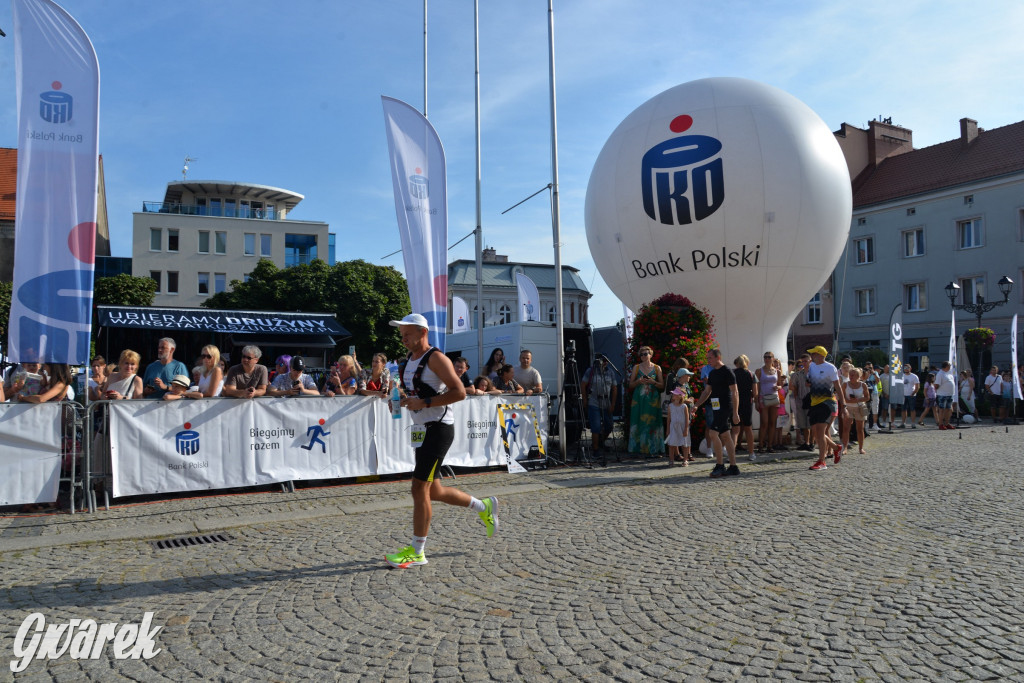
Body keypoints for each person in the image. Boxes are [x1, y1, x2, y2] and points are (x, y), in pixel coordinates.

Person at [384, 312, 498, 569]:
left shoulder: (436, 358)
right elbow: (417, 393)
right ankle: (484, 506)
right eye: (401, 334)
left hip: (438, 430)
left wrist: (423, 402)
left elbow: (459, 393)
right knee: (433, 490)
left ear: (423, 332)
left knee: (418, 489)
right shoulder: (409, 361)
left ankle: (417, 551)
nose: (403, 338)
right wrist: (401, 401)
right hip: (421, 429)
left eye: (408, 334)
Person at [694, 348, 740, 477]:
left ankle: (720, 465)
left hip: (725, 407)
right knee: (725, 435)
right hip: (716, 406)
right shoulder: (713, 373)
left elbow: (735, 393)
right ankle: (733, 466)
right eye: (707, 358)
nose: (708, 360)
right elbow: (707, 391)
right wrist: (697, 405)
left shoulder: (728, 372)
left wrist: (735, 413)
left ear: (718, 358)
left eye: (710, 358)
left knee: (713, 433)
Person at [806, 346, 845, 471]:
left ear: (820, 355)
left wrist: (843, 404)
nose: (811, 356)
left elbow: (837, 386)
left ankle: (822, 461)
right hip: (814, 402)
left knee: (821, 431)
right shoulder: (812, 366)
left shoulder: (830, 368)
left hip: (827, 402)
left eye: (814, 354)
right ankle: (836, 447)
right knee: (816, 431)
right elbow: (809, 381)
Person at [627, 346, 664, 455]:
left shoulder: (657, 368)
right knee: (637, 421)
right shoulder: (636, 368)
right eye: (641, 354)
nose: (643, 356)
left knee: (653, 422)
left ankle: (653, 449)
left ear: (650, 355)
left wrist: (654, 382)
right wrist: (638, 381)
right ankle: (637, 449)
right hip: (638, 400)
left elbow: (662, 386)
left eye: (645, 354)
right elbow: (630, 385)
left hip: (653, 399)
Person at [581, 356, 618, 460]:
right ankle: (595, 450)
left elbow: (615, 389)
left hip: (606, 402)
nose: (604, 363)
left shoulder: (610, 372)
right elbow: (583, 384)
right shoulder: (591, 371)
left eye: (606, 361)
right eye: (602, 361)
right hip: (594, 401)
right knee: (596, 427)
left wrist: (613, 404)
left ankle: (600, 442)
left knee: (609, 425)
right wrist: (584, 399)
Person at [755, 351, 783, 454]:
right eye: (765, 357)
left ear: (773, 358)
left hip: (774, 398)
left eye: (769, 357)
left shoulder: (777, 371)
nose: (766, 359)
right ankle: (761, 445)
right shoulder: (759, 371)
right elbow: (756, 387)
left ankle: (770, 445)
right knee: (764, 423)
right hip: (763, 398)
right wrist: (756, 401)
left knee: (772, 423)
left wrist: (778, 387)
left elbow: (780, 384)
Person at [732, 355, 756, 460]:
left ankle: (731, 454)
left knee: (735, 429)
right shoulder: (751, 374)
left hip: (734, 403)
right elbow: (755, 392)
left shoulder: (732, 373)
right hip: (747, 402)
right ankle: (751, 453)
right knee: (748, 428)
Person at [842, 367, 869, 454]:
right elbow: (841, 396)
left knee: (860, 428)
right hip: (848, 407)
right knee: (846, 428)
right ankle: (845, 447)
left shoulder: (863, 385)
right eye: (850, 374)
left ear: (859, 376)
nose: (851, 376)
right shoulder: (845, 384)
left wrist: (857, 399)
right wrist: (847, 401)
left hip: (860, 407)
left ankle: (861, 448)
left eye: (853, 375)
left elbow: (867, 397)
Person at [790, 353, 813, 450]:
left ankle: (812, 443)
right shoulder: (797, 374)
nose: (804, 363)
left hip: (813, 400)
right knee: (803, 423)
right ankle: (806, 442)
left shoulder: (814, 373)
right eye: (802, 361)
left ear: (810, 361)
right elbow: (794, 387)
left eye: (806, 361)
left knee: (812, 423)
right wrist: (796, 399)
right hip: (801, 400)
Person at [664, 387, 691, 466]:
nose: (673, 395)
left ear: (680, 396)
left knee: (684, 443)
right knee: (672, 443)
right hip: (673, 427)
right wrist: (668, 429)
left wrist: (686, 429)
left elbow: (687, 419)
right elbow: (669, 419)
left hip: (682, 427)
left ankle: (685, 459)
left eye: (675, 394)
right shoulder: (670, 406)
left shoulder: (684, 406)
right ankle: (671, 460)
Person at [934, 362, 957, 430]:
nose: (950, 367)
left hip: (950, 394)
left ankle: (947, 423)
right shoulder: (940, 374)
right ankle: (941, 424)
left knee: (949, 409)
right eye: (949, 366)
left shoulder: (949, 373)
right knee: (941, 410)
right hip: (942, 394)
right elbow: (937, 384)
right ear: (946, 366)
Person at [863, 362, 880, 430]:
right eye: (867, 368)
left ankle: (875, 424)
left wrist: (873, 373)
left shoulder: (875, 373)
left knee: (875, 408)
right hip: (866, 393)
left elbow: (878, 381)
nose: (869, 369)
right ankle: (865, 424)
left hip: (874, 392)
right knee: (866, 409)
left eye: (870, 367)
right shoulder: (863, 373)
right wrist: (866, 373)